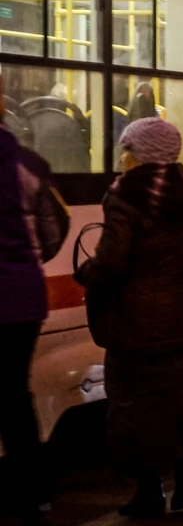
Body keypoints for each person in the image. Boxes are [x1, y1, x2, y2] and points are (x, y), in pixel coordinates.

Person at [75, 118, 183, 516]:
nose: (123, 156)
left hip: (131, 322)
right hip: (178, 316)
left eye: (127, 148)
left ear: (140, 153)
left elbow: (112, 260)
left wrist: (87, 273)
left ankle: (148, 490)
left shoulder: (124, 194)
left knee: (132, 406)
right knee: (182, 398)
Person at [0, 77, 69, 521]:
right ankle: (35, 492)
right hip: (22, 296)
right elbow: (54, 228)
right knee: (13, 395)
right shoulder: (28, 163)